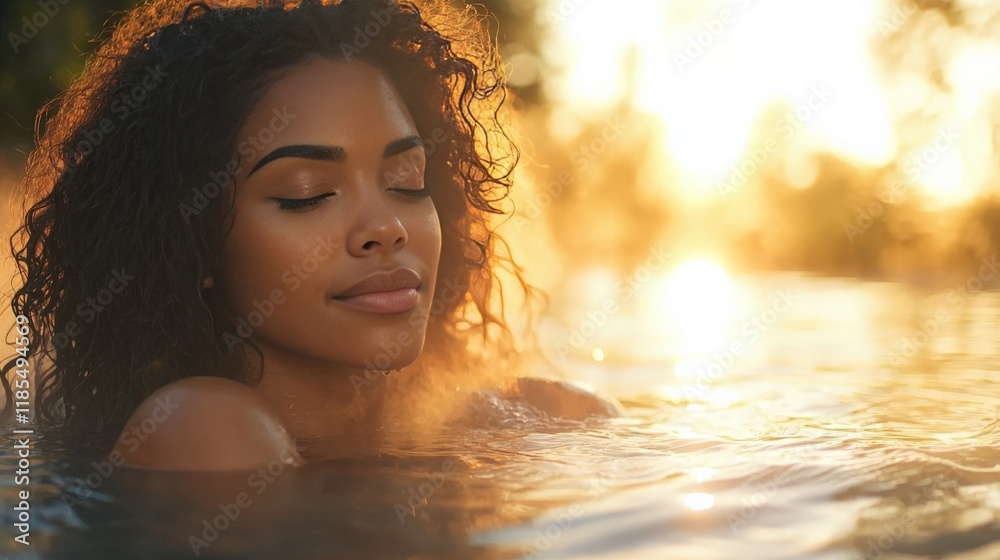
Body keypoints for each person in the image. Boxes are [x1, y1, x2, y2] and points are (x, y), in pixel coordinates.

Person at [1, 0, 620, 471]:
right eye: (307, 194)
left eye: (406, 180)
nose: (386, 227)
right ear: (194, 243)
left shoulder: (488, 418)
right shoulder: (203, 428)